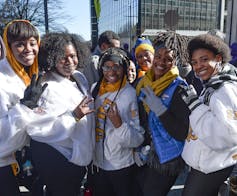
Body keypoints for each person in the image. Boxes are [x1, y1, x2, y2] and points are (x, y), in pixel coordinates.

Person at [12, 32, 94, 196]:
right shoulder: (47, 86)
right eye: (63, 57)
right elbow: (36, 129)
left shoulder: (78, 78)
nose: (69, 62)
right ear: (52, 58)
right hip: (59, 161)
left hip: (78, 160)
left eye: (73, 56)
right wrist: (73, 117)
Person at [181, 33, 237, 196]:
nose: (199, 66)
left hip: (211, 167)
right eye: (195, 62)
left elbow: (228, 135)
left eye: (205, 59)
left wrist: (195, 105)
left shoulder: (225, 88)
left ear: (219, 59)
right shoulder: (213, 83)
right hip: (206, 164)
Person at [135, 32, 190, 196]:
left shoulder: (180, 88)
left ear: (175, 62)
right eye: (158, 56)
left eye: (168, 59)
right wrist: (142, 147)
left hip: (168, 157)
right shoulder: (146, 82)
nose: (161, 62)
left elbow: (181, 132)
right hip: (149, 151)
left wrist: (160, 110)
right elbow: (144, 121)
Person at [90, 47, 144, 196]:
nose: (112, 71)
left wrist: (119, 125)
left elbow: (137, 138)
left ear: (124, 68)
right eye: (107, 67)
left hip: (121, 166)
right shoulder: (95, 89)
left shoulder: (129, 93)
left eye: (116, 66)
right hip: (98, 164)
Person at [0, 19, 41, 196]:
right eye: (19, 44)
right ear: (8, 47)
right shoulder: (2, 79)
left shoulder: (29, 73)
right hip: (4, 165)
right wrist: (24, 107)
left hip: (26, 160)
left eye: (32, 43)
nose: (28, 49)